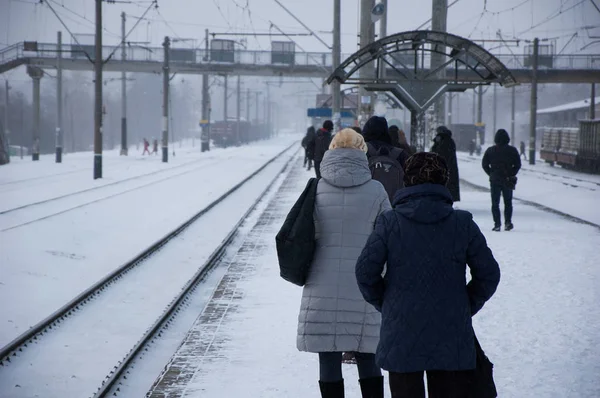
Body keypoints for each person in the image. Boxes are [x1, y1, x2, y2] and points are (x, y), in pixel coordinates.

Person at [355, 152, 501, 398]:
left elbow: (365, 272)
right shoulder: (461, 223)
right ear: (443, 180)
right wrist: (465, 304)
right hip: (450, 332)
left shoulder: (390, 222)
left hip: (401, 331)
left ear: (407, 181)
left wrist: (388, 303)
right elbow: (489, 274)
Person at [297, 128, 391, 398]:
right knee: (367, 354)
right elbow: (388, 237)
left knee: (328, 357)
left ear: (331, 151)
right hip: (366, 284)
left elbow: (304, 235)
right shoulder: (377, 190)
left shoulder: (316, 189)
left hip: (322, 282)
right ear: (363, 153)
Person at [482, 129, 522, 231]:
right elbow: (518, 164)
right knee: (508, 202)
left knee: (495, 203)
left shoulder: (490, 150)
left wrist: (491, 173)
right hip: (508, 179)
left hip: (495, 179)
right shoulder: (512, 150)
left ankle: (497, 224)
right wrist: (511, 173)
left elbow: (484, 164)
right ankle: (508, 222)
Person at [431, 126, 460, 202]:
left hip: (441, 168)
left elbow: (437, 153)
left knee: (443, 187)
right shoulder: (450, 141)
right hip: (450, 168)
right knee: (449, 187)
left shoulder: (442, 142)